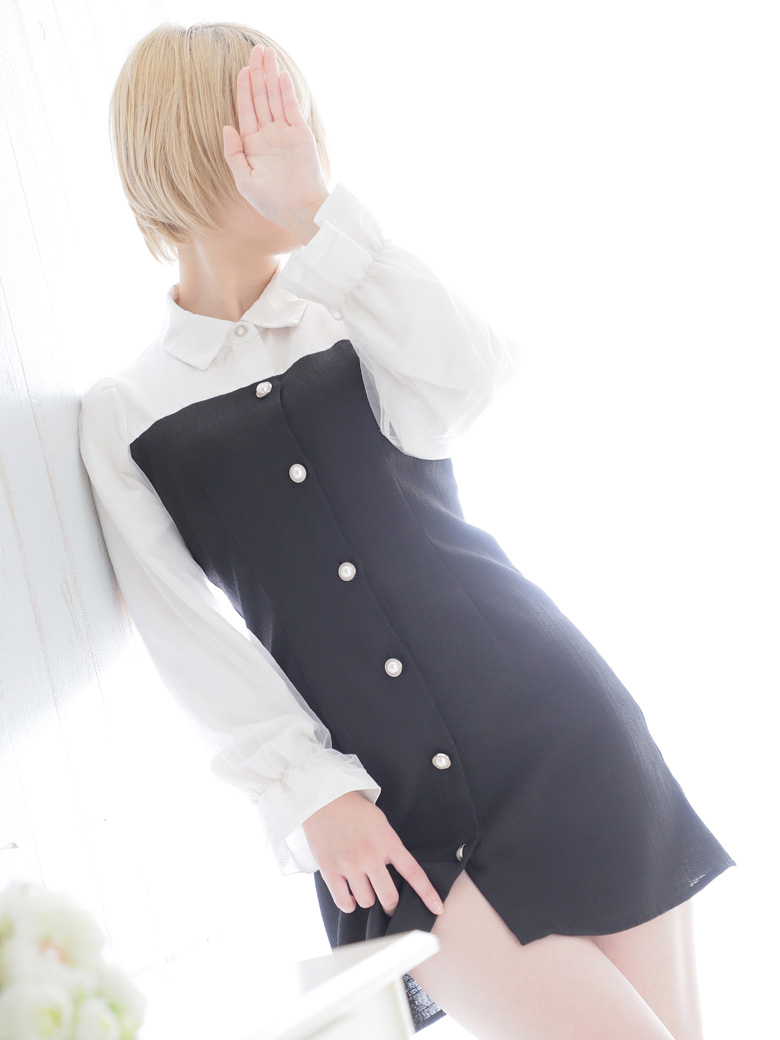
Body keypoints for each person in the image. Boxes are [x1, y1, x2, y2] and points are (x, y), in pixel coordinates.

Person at [79, 21, 736, 1039]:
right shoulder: (128, 412)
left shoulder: (356, 308)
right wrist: (310, 794)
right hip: (387, 814)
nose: (294, 146)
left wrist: (321, 218)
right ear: (189, 150)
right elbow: (185, 638)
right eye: (265, 125)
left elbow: (472, 380)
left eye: (299, 125)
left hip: (563, 735)